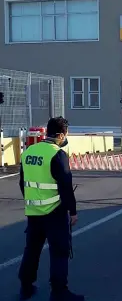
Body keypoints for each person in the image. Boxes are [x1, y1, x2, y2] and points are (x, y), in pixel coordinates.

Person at [18, 117, 84, 301]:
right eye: (66, 134)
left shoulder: (29, 151)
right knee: (60, 251)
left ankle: (26, 286)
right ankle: (59, 292)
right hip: (54, 212)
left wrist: (32, 201)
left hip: (33, 212)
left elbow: (23, 183)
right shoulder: (57, 154)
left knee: (32, 250)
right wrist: (73, 211)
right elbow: (66, 186)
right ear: (61, 134)